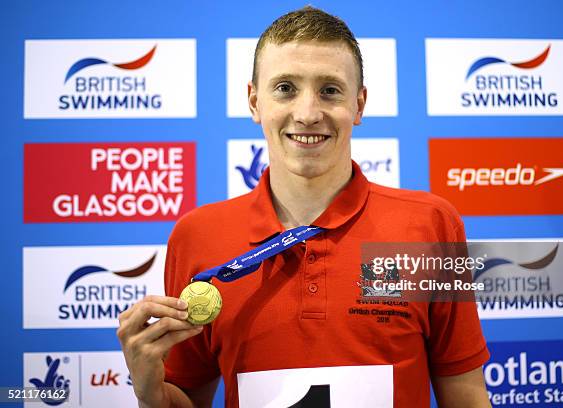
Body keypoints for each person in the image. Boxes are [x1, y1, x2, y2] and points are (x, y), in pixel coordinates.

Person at [117, 6, 491, 408]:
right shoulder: (198, 235)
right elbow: (187, 397)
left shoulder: (430, 225)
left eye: (330, 89)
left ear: (359, 105)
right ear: (254, 101)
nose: (308, 113)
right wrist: (150, 393)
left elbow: (465, 395)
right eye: (285, 88)